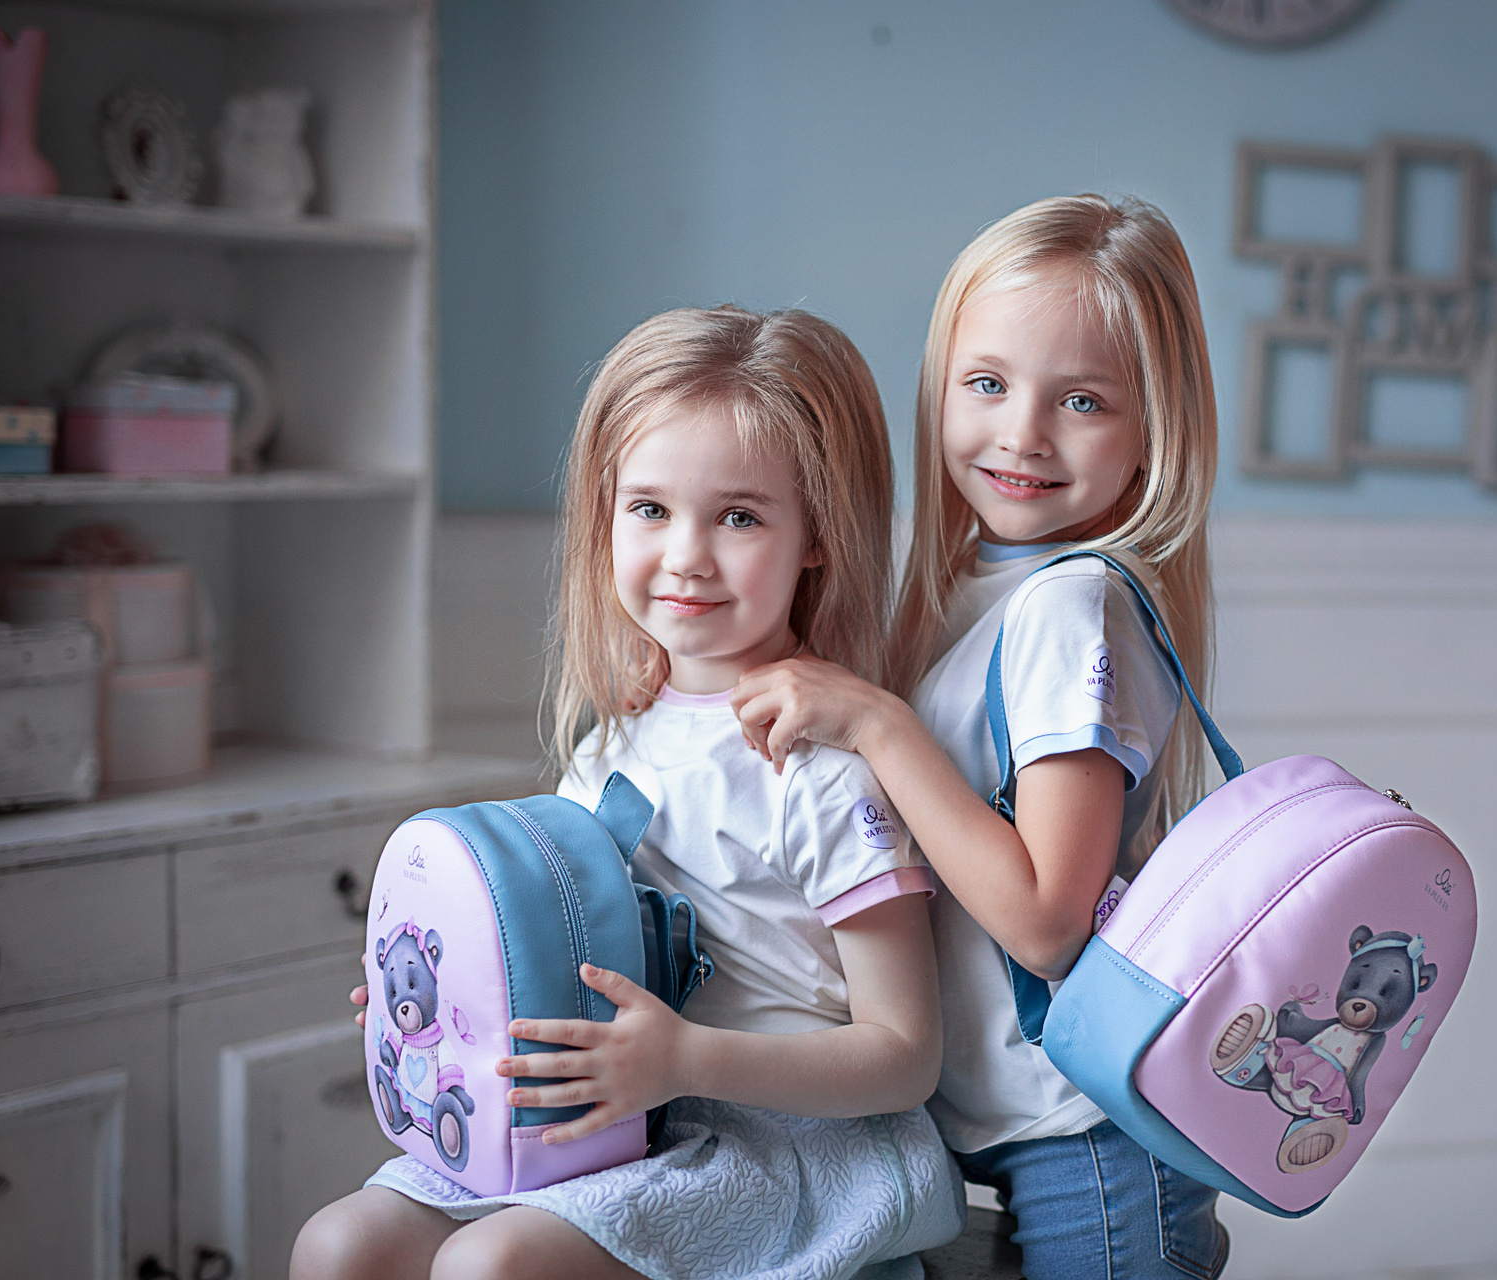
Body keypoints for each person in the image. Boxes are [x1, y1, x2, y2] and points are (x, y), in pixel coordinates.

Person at [292, 306, 963, 1280]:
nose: (687, 554)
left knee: (491, 1266)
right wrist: (441, 1007)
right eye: (650, 508)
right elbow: (562, 958)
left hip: (789, 1140)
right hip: (618, 1110)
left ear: (817, 533)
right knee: (339, 1244)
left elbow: (904, 1054)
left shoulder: (821, 769)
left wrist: (686, 1060)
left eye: (739, 516)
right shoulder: (611, 744)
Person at [731, 195, 1231, 1280]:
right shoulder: (971, 587)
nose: (1023, 434)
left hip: (1083, 1139)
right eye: (988, 384)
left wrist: (876, 720)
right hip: (993, 1122)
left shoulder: (1071, 605)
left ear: (1156, 429)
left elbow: (1047, 922)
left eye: (1082, 400)